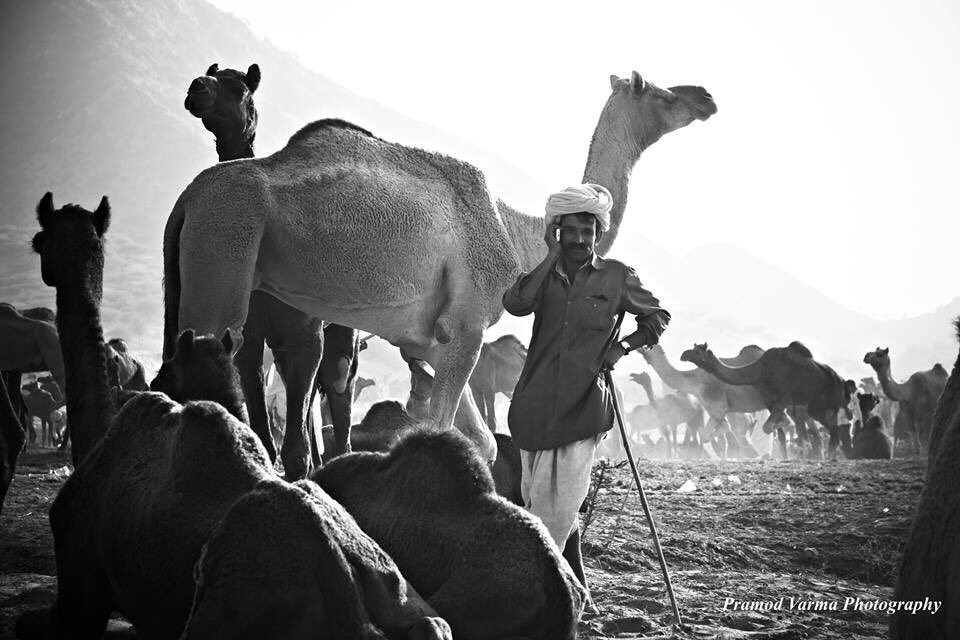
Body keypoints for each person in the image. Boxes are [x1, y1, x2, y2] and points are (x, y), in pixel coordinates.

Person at [503, 183, 670, 607]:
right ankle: (577, 594)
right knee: (541, 505)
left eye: (588, 231)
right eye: (571, 230)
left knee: (553, 516)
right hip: (533, 409)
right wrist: (549, 256)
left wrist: (622, 348)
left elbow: (657, 316)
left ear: (599, 235)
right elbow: (515, 303)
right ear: (557, 232)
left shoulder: (616, 276)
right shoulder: (546, 277)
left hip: (583, 410)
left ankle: (536, 598)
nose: (579, 239)